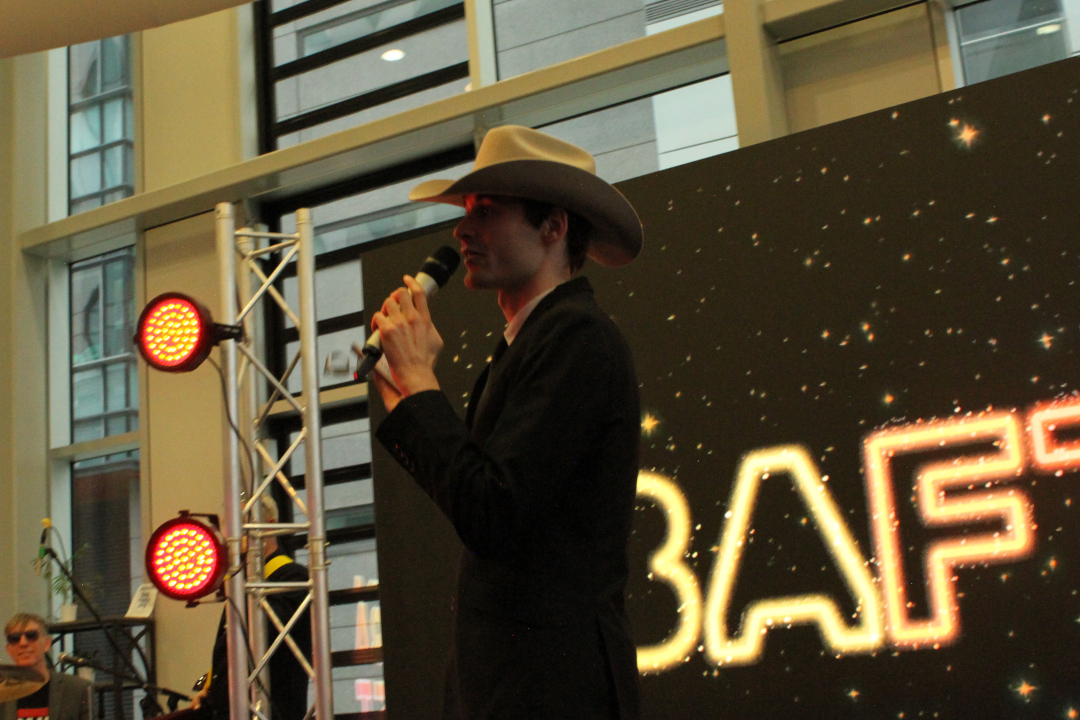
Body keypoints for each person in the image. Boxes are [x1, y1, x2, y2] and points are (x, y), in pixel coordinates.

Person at [371, 125, 644, 719]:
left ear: (554, 227)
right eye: (466, 211)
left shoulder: (578, 337)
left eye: (488, 211)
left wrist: (419, 380)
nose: (463, 230)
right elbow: (481, 498)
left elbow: (493, 510)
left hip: (552, 689)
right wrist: (404, 390)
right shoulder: (530, 343)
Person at [191, 496, 311, 720]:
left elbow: (258, 638)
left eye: (241, 523)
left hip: (272, 711)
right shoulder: (240, 585)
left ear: (270, 525)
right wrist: (208, 688)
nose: (232, 535)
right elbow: (227, 649)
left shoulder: (293, 578)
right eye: (229, 525)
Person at [1, 613, 91, 720]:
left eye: (31, 635)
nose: (23, 643)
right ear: (9, 650)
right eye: (15, 638)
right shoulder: (2, 695)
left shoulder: (77, 689)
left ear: (47, 644)